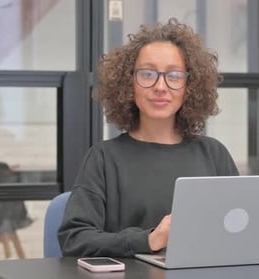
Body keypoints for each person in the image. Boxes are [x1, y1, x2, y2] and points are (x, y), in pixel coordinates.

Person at [58, 18, 239, 257]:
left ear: (190, 86)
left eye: (174, 75)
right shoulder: (103, 158)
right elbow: (74, 239)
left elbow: (238, 230)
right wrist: (149, 240)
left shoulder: (214, 154)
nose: (160, 86)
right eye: (147, 74)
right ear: (128, 83)